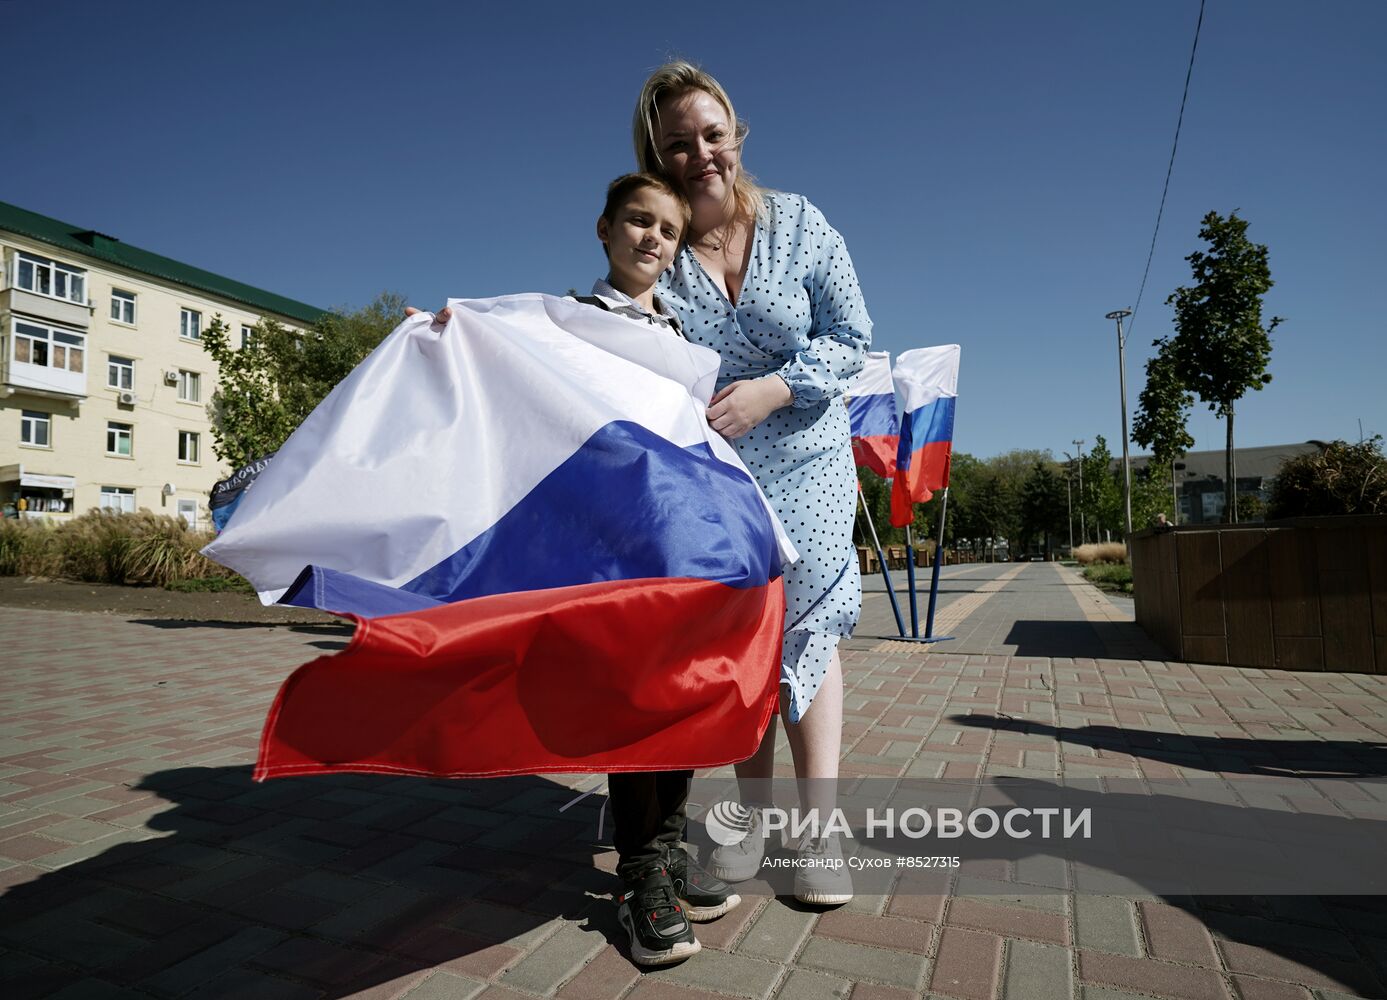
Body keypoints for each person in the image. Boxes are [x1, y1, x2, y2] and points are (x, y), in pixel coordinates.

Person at [632, 61, 871, 906]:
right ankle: (751, 826)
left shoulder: (799, 223)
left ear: (735, 135)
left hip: (810, 459)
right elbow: (597, 332)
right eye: (678, 144)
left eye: (711, 134)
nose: (700, 154)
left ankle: (818, 836)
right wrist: (469, 329)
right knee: (746, 643)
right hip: (720, 477)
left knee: (808, 632)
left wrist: (777, 387)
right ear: (657, 157)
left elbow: (852, 335)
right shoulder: (658, 252)